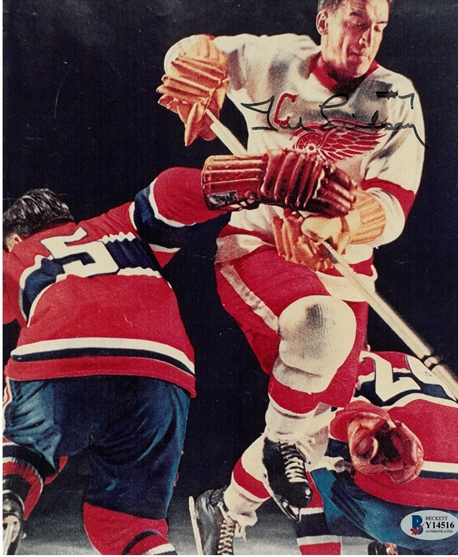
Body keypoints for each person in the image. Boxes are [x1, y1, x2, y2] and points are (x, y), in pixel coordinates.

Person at [157, 0, 425, 514]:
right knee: (324, 330)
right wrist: (196, 68)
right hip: (257, 245)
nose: (366, 37)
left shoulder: (395, 96)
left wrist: (343, 225)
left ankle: (225, 509)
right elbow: (194, 50)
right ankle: (279, 448)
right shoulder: (275, 58)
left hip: (341, 265)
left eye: (377, 26)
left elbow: (393, 203)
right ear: (324, 20)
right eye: (355, 21)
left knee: (320, 426)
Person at [2, 152, 350, 555]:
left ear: (12, 238)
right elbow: (170, 195)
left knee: (19, 442)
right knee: (125, 524)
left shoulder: (15, 257)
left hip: (61, 356)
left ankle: (9, 493)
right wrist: (261, 176)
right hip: (162, 371)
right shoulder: (119, 225)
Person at [189, 349, 458, 555]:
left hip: (397, 516)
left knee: (294, 450)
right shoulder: (421, 370)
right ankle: (399, 548)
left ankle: (226, 510)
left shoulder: (341, 363)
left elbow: (289, 441)